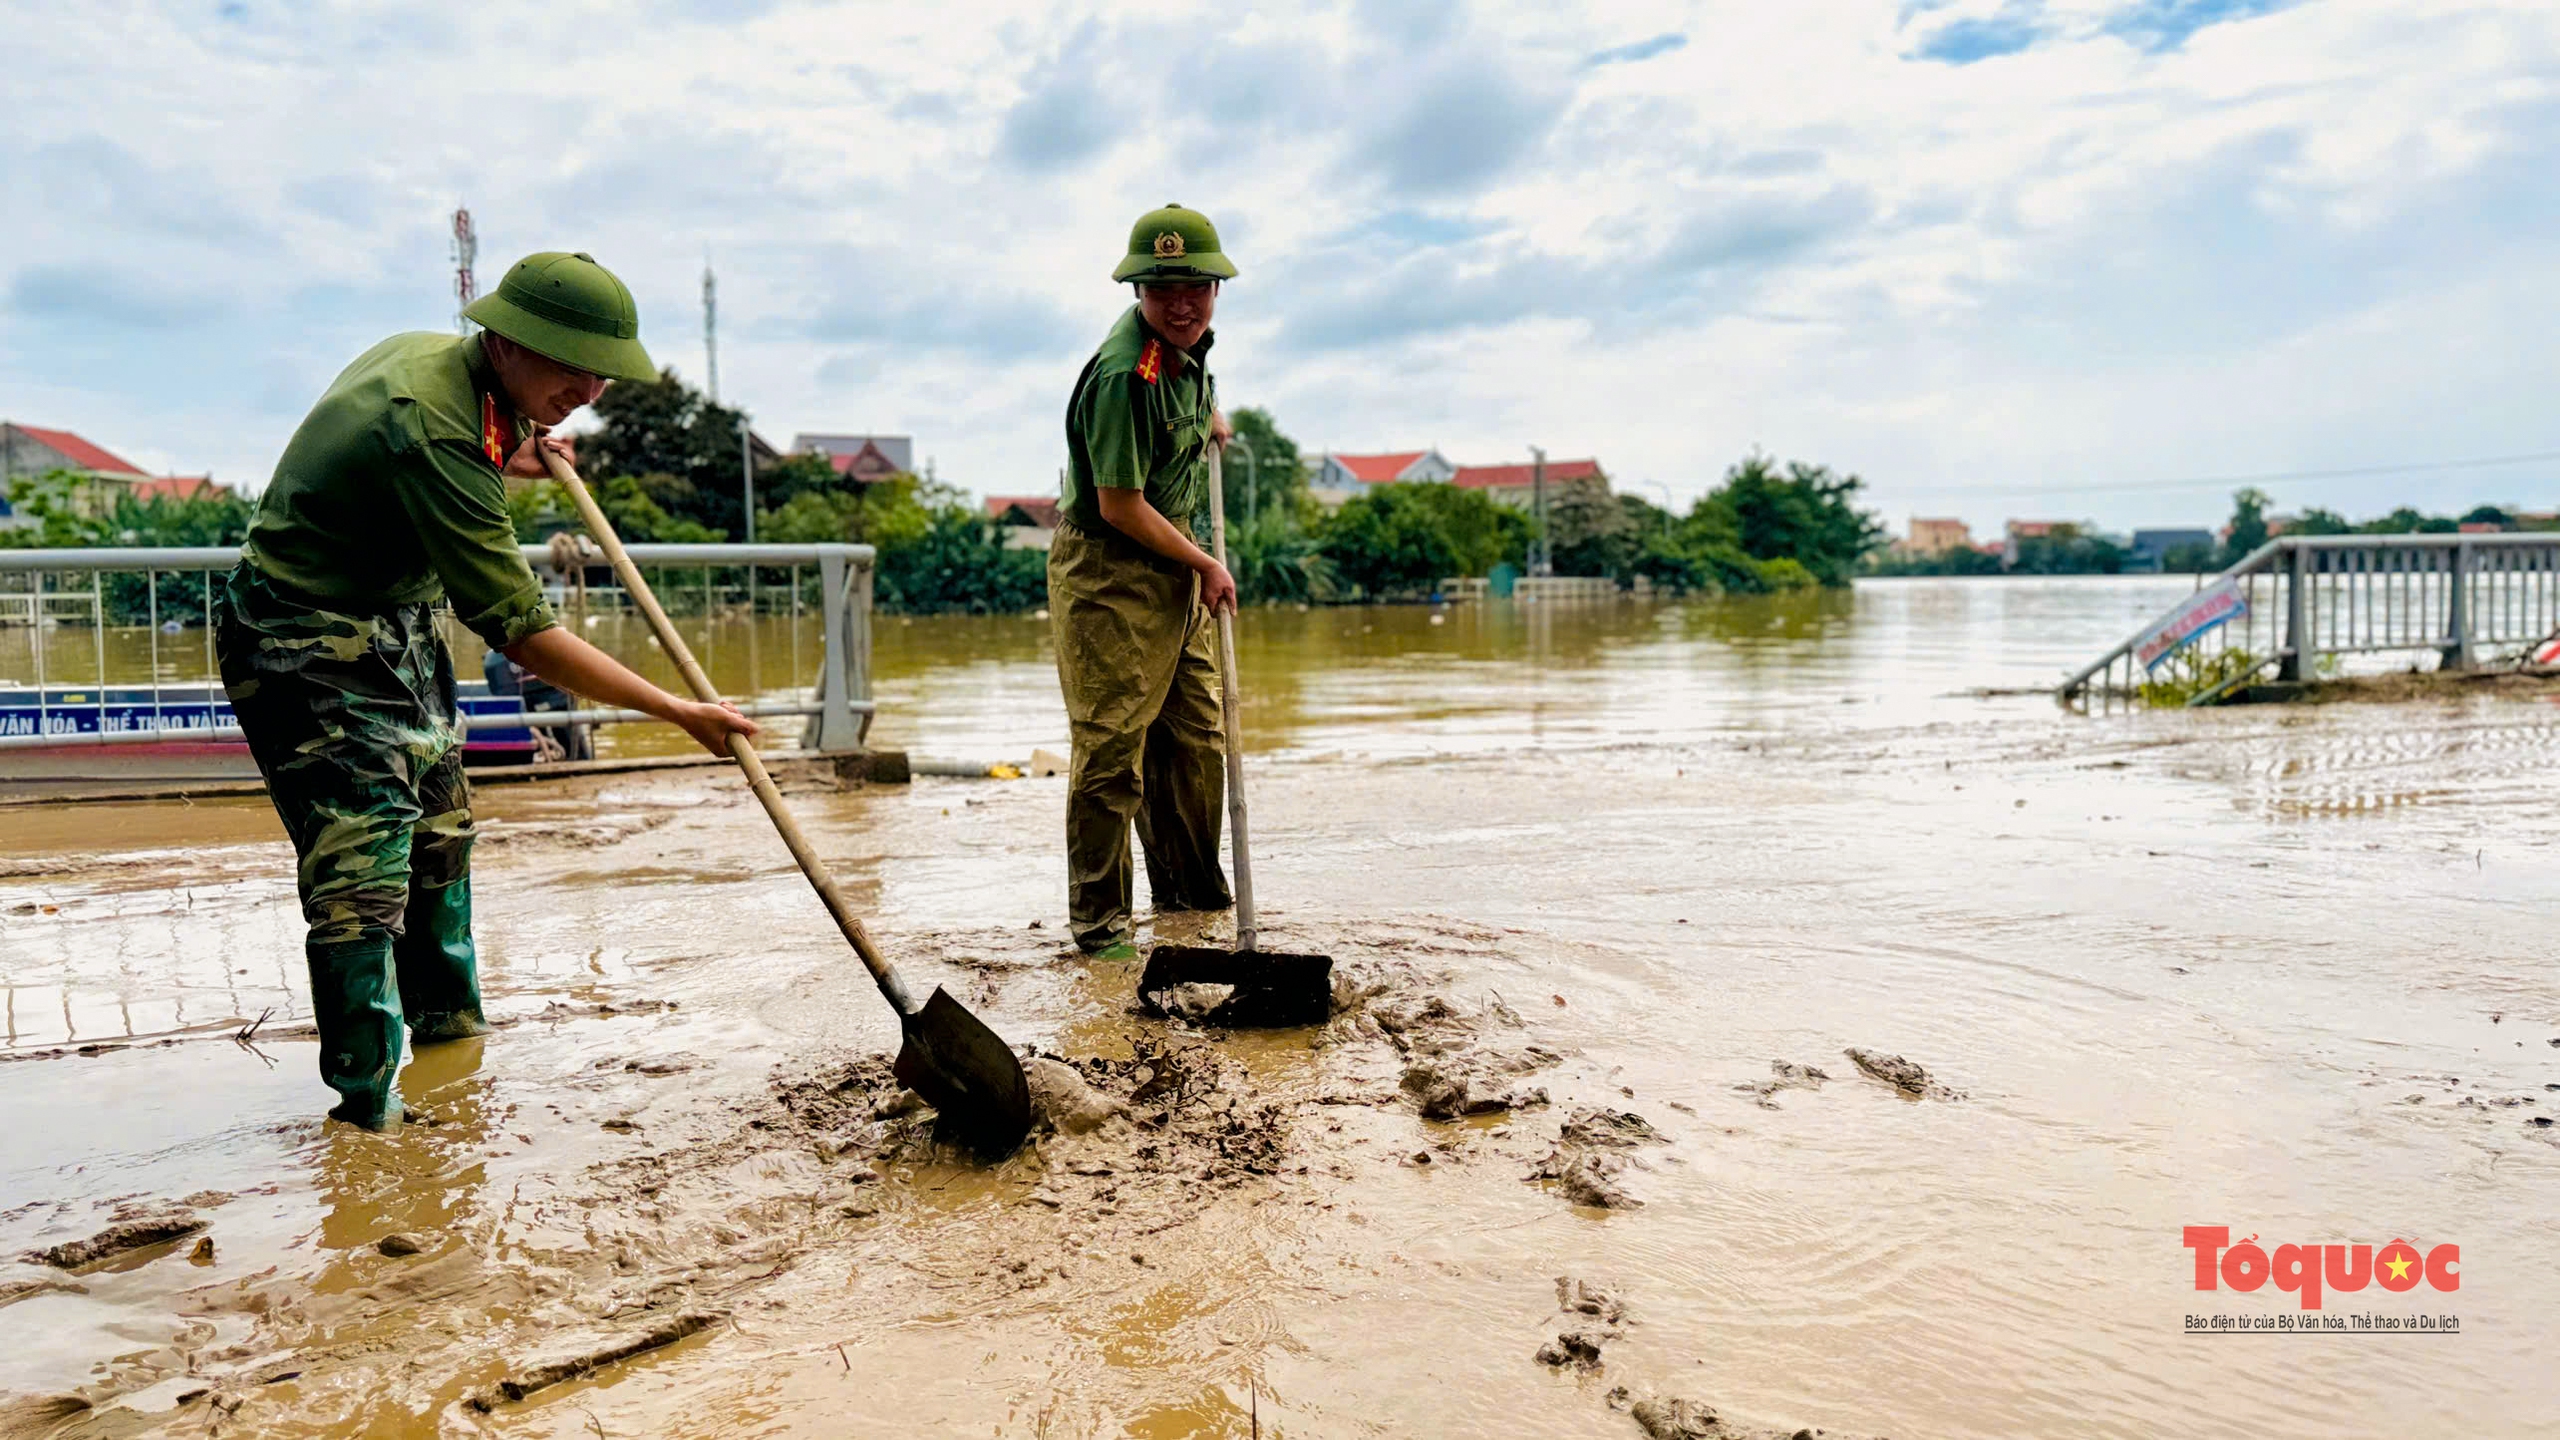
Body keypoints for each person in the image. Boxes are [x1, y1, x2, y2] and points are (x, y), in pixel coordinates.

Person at [219, 250, 759, 1131]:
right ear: (505, 342)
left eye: (601, 374)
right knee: (363, 871)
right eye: (570, 365)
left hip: (401, 627)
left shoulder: (462, 383)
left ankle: (454, 1057)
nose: (588, 390)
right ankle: (367, 1119)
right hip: (305, 640)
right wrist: (676, 711)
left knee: (440, 838)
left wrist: (519, 456)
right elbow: (523, 633)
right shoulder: (427, 417)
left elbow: (451, 455)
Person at [1050, 204, 1240, 959]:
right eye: (1163, 289)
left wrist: (1211, 414)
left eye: (1195, 284)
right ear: (1138, 292)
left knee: (1197, 737)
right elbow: (1120, 506)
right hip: (1110, 575)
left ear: (1216, 287)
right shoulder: (1124, 376)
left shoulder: (1183, 355)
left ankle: (1190, 897)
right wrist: (1204, 563)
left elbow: (1180, 413)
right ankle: (1101, 930)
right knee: (1111, 748)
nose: (1182, 302)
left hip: (1172, 567)